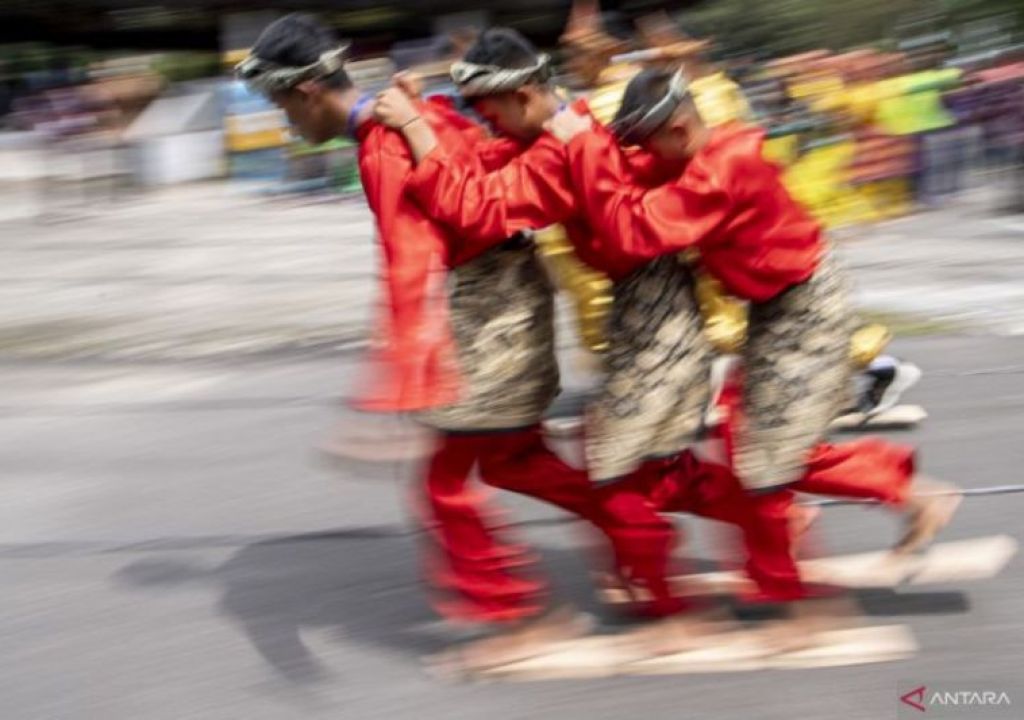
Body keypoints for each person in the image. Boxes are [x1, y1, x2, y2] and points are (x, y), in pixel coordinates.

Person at [374, 31, 954, 643]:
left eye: (487, 112)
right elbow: (496, 167)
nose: (483, 125)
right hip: (723, 310)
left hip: (748, 310)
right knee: (721, 457)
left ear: (521, 96)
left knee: (692, 466)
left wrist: (416, 129)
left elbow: (497, 212)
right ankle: (794, 557)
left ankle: (736, 604)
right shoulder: (578, 137)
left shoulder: (607, 149)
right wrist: (426, 117)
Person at [238, 13, 705, 671]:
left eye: (281, 105)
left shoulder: (383, 141)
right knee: (514, 462)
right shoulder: (415, 112)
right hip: (508, 297)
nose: (285, 123)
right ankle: (636, 533)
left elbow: (408, 260)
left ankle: (526, 613)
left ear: (308, 91)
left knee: (445, 484)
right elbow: (483, 148)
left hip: (492, 315)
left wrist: (398, 379)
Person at [544, 66, 960, 582]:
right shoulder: (695, 154)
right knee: (758, 445)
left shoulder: (721, 171)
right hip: (777, 305)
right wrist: (574, 125)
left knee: (771, 452)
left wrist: (581, 145)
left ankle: (891, 509)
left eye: (650, 142)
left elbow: (635, 232)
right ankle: (896, 499)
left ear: (676, 130)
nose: (645, 154)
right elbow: (628, 173)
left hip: (805, 305)